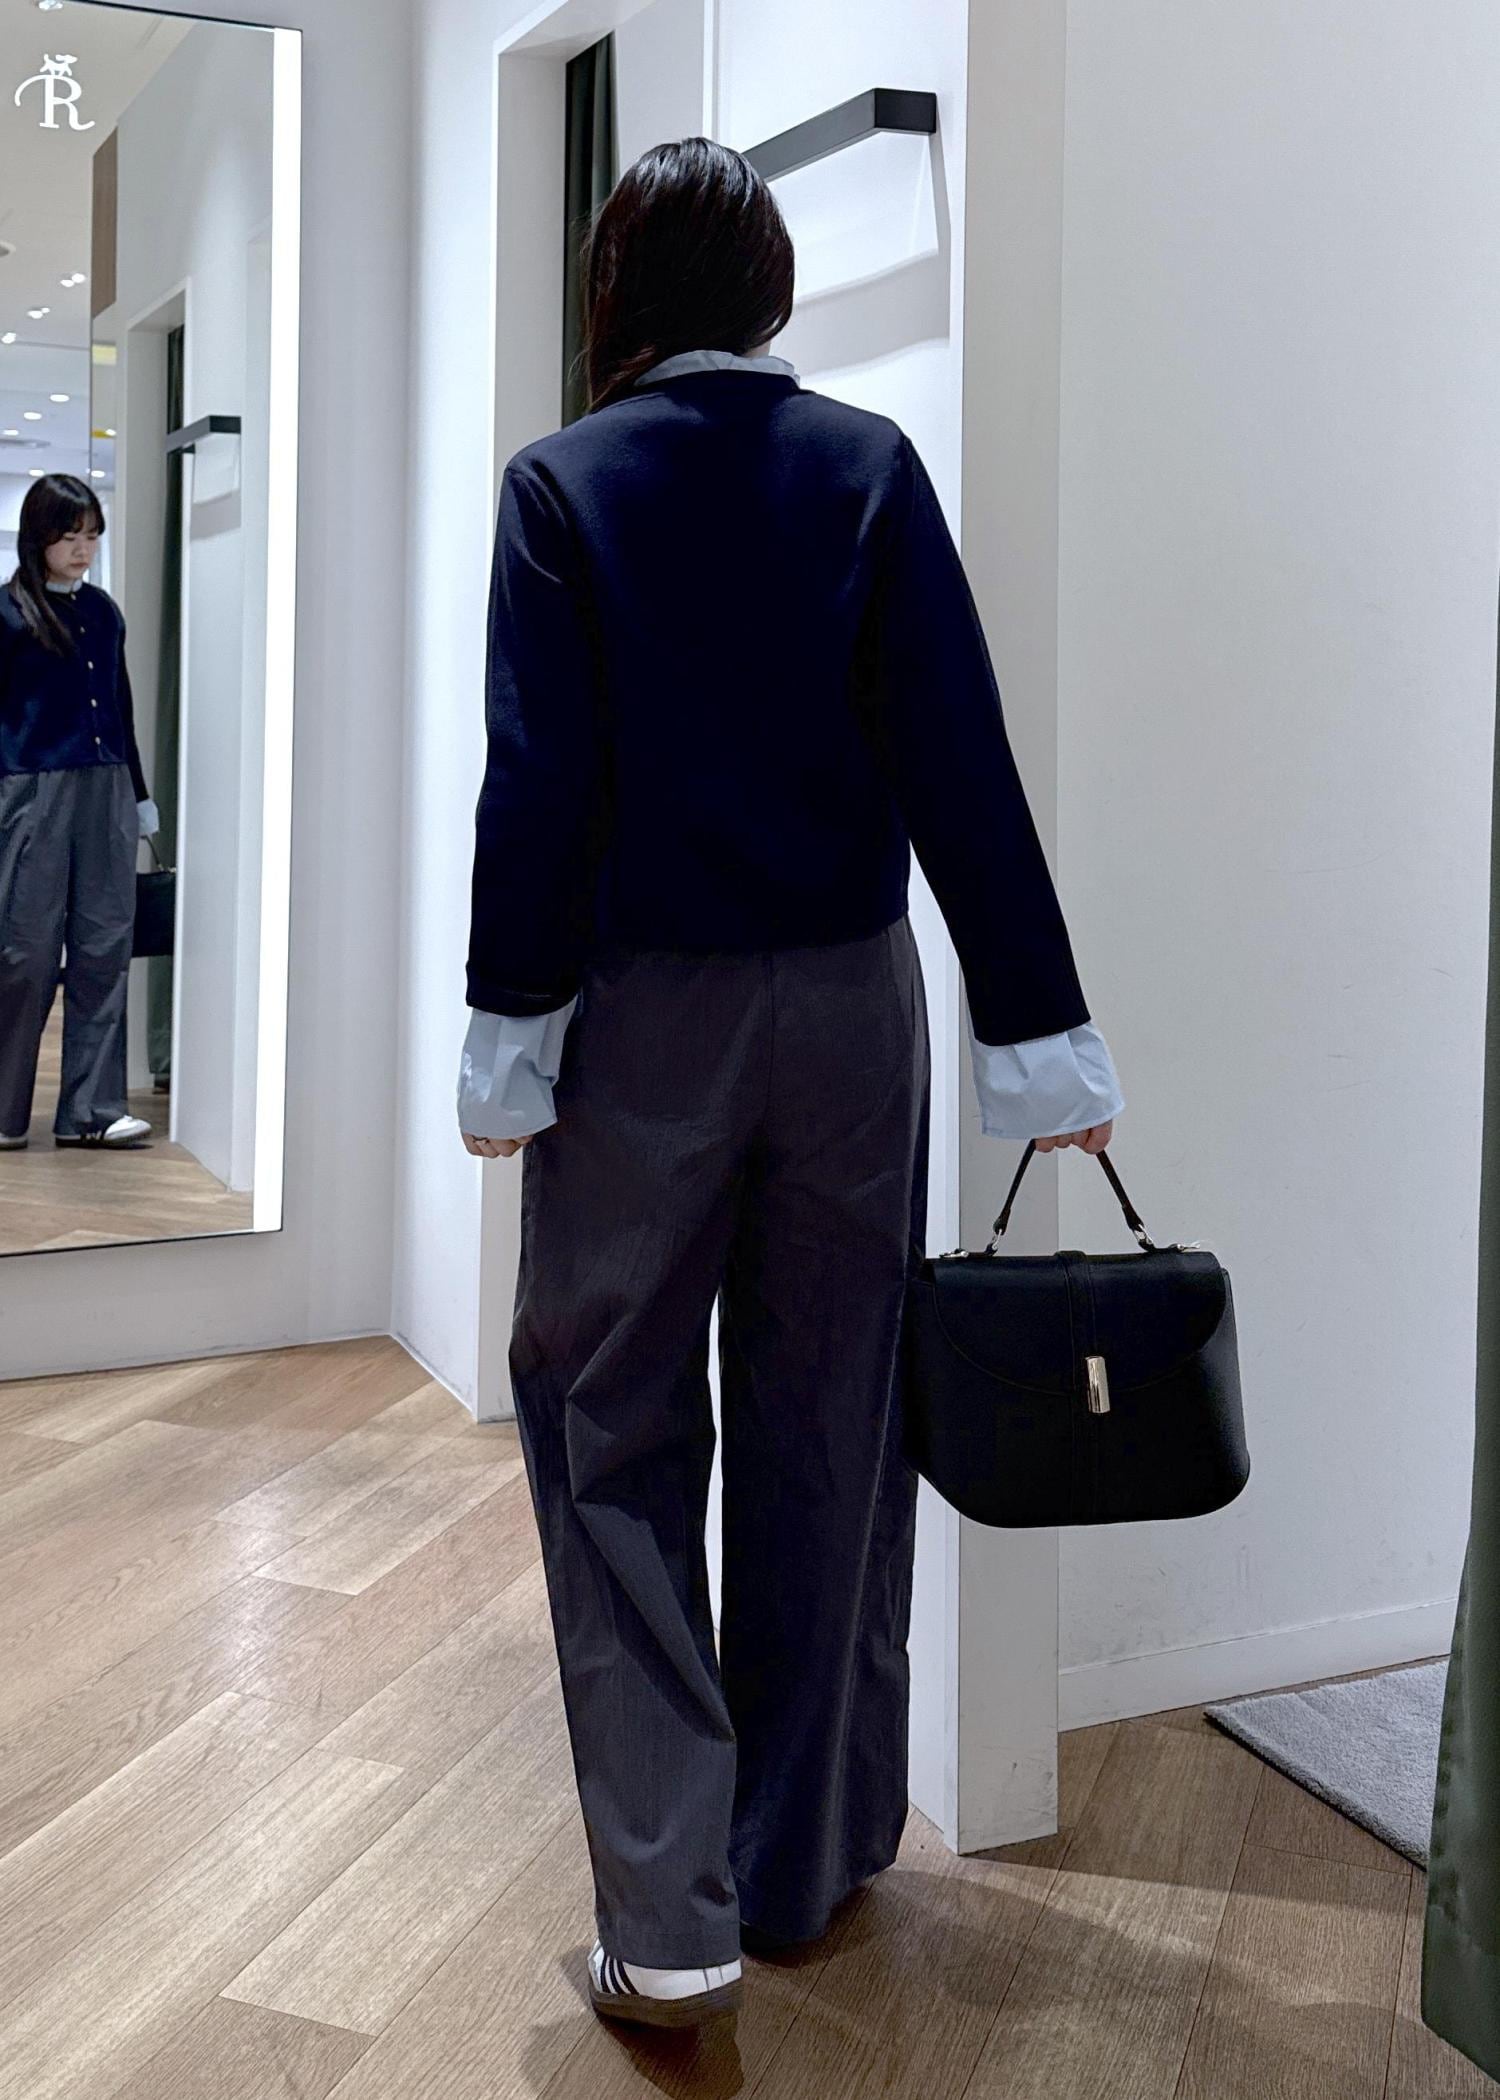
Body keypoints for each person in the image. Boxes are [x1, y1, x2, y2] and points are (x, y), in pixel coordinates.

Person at [458, 137, 1124, 2031]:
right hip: (850, 1011)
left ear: (614, 291)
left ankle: (671, 1911)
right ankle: (805, 1859)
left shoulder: (564, 485)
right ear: (770, 288)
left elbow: (539, 789)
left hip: (642, 1024)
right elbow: (959, 760)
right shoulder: (867, 468)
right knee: (836, 1415)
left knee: (607, 1421)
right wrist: (1041, 1041)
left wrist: (508, 1043)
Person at [0, 474, 158, 1150]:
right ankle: (5, 1111)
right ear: (39, 537)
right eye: (70, 536)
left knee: (104, 946)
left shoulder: (103, 611)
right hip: (30, 791)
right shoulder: (8, 614)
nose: (83, 549)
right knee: (25, 952)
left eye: (92, 535)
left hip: (107, 788)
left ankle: (91, 1111)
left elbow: (120, 707)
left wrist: (140, 795)